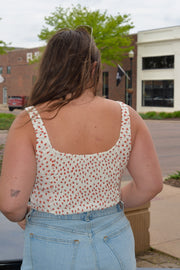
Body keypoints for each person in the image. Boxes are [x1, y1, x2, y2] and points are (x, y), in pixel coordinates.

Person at [0, 26, 163, 270]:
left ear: (49, 68)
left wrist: (25, 218)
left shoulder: (30, 122)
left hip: (52, 242)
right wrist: (111, 203)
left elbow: (12, 204)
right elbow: (151, 184)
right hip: (114, 240)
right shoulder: (128, 116)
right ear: (95, 68)